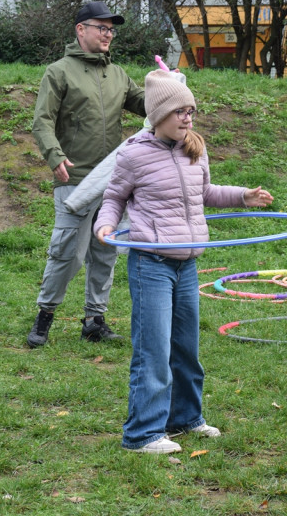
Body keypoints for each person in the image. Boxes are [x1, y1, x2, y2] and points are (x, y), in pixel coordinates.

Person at [94, 70, 274, 453]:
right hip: (151, 264)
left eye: (190, 110)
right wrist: (107, 224)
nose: (187, 118)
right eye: (180, 111)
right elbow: (113, 198)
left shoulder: (195, 146)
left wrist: (244, 196)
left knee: (186, 348)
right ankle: (142, 434)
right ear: (158, 114)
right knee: (153, 351)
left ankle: (186, 419)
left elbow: (206, 191)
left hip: (187, 264)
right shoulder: (132, 153)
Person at [28, 1, 147, 348]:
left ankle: (95, 320)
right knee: (68, 253)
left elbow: (145, 105)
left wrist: (167, 85)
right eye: (102, 28)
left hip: (114, 180)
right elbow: (42, 121)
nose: (109, 34)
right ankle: (44, 318)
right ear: (81, 30)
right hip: (74, 178)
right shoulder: (59, 71)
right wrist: (55, 156)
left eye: (112, 30)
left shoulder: (119, 74)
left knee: (106, 251)